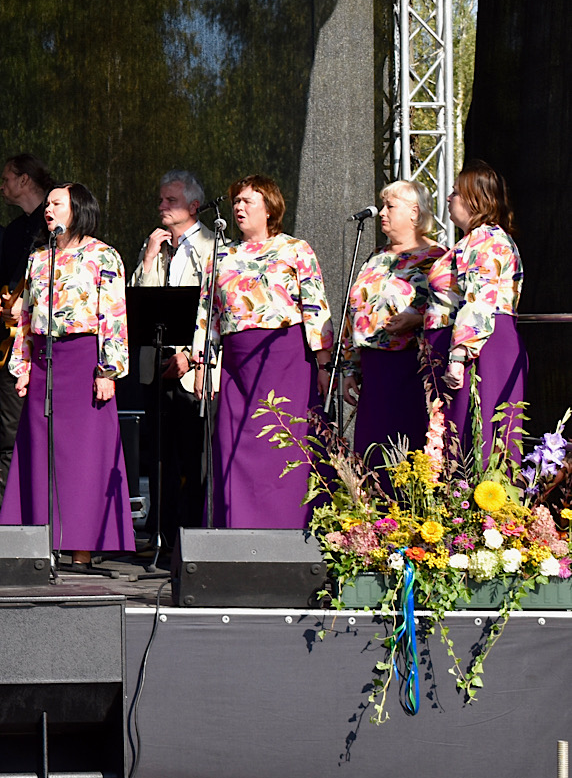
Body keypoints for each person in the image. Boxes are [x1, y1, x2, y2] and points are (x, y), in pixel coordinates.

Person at [0, 183, 134, 567]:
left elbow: (114, 316)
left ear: (78, 208)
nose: (48, 209)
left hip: (83, 360)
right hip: (45, 361)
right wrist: (23, 366)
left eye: (57, 203)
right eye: (47, 204)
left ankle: (81, 548)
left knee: (84, 455)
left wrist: (108, 370)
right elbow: (26, 318)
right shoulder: (39, 258)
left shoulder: (103, 255)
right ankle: (41, 540)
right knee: (41, 452)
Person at [194, 174, 333, 529]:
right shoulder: (220, 255)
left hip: (284, 358)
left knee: (284, 444)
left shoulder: (295, 249)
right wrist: (203, 363)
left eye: (247, 201)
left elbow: (315, 307)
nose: (239, 207)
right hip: (236, 364)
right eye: (236, 201)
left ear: (269, 208)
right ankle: (238, 531)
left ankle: (290, 527)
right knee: (235, 446)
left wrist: (324, 364)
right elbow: (208, 313)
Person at [129, 170, 215, 546]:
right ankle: (160, 530)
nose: (162, 206)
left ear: (193, 206)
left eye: (171, 200)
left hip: (192, 366)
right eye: (161, 200)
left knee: (192, 451)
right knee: (159, 451)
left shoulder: (212, 247)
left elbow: (213, 310)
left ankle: (192, 533)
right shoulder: (156, 245)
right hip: (156, 360)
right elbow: (139, 302)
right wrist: (149, 259)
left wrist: (191, 358)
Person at [424, 160, 525, 465]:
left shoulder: (486, 239)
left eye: (455, 192)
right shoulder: (472, 240)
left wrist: (458, 357)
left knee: (478, 435)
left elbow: (479, 300)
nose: (448, 198)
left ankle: (483, 497)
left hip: (479, 347)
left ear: (474, 199)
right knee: (461, 436)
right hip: (468, 345)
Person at [339, 180, 445, 465]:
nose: (382, 212)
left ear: (414, 212)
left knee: (406, 449)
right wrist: (350, 367)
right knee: (372, 450)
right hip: (373, 370)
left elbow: (450, 310)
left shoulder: (437, 258)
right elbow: (353, 312)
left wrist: (418, 319)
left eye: (390, 206)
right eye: (382, 205)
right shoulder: (376, 257)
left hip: (411, 368)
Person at [0, 154, 55, 489]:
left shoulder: (54, 229)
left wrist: (30, 304)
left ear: (25, 179)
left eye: (6, 178)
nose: (1, 186)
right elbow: (2, 280)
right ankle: (7, 507)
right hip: (14, 346)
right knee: (10, 430)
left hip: (49, 344)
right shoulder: (13, 231)